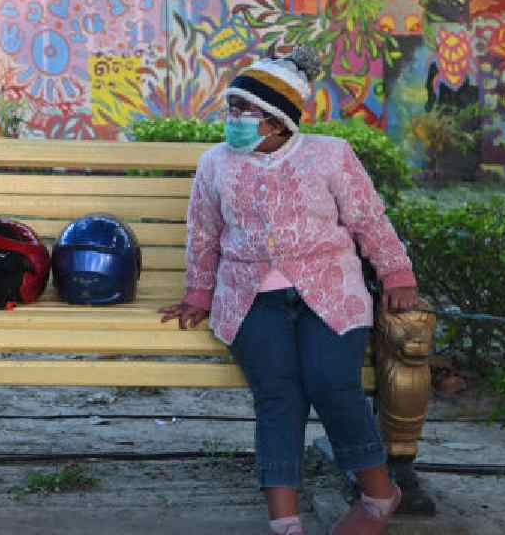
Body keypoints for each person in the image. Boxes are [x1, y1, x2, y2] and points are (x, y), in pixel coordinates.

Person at [159, 46, 417, 535]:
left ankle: (381, 496)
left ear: (278, 123)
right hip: (249, 297)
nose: (232, 119)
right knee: (277, 395)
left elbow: (368, 219)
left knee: (330, 381)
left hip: (331, 291)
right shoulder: (215, 164)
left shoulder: (330, 155)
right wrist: (198, 293)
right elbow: (203, 233)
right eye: (231, 108)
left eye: (245, 111)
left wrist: (397, 273)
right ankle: (285, 522)